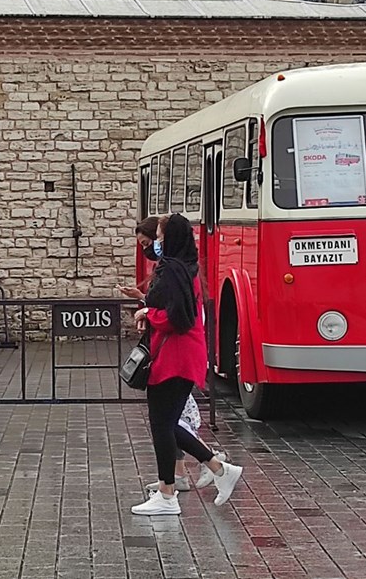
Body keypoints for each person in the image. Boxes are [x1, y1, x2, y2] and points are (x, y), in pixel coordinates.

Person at [131, 213, 243, 516]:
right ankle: (218, 469)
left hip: (174, 357)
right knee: (165, 423)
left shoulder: (173, 270)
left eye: (160, 238)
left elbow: (178, 318)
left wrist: (147, 315)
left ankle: (168, 494)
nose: (157, 243)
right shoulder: (185, 268)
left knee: (162, 424)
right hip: (179, 355)